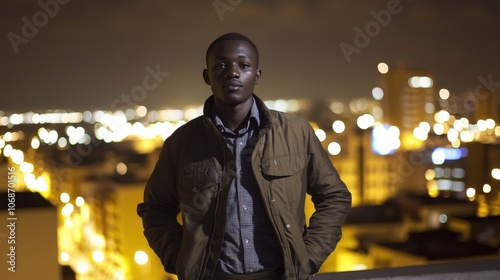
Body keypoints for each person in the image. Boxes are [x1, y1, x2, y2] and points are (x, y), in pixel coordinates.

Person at [137, 32, 351, 280]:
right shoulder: (182, 142)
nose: (232, 72)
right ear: (207, 76)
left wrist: (308, 257)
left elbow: (335, 196)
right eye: (220, 65)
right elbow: (155, 209)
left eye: (244, 65)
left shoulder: (296, 132)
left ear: (257, 75)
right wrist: (179, 259)